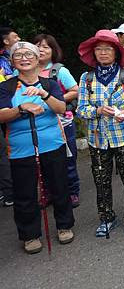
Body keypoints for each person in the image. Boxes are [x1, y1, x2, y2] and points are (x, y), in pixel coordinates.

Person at [0, 42, 74, 254]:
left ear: (37, 58)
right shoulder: (6, 87)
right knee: (24, 192)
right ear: (12, 61)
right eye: (18, 55)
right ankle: (29, 234)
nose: (24, 58)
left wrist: (44, 96)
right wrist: (21, 108)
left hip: (52, 142)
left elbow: (61, 108)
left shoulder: (49, 83)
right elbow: (1, 114)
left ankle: (64, 224)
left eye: (28, 54)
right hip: (20, 147)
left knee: (59, 185)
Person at [76, 30, 124, 236]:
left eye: (107, 49)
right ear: (93, 53)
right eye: (99, 49)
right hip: (97, 139)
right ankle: (106, 217)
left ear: (116, 52)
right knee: (101, 180)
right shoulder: (86, 79)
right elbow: (80, 109)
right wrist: (97, 111)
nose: (103, 53)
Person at [32, 34, 81, 208]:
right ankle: (48, 193)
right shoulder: (23, 72)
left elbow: (75, 90)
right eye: (37, 45)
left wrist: (54, 100)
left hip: (62, 122)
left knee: (67, 159)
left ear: (53, 50)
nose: (41, 49)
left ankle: (72, 191)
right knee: (42, 161)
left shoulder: (59, 71)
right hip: (35, 123)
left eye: (46, 46)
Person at [0, 27, 19, 207]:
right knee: (5, 150)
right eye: (15, 36)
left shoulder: (10, 60)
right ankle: (9, 192)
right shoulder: (3, 62)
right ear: (6, 41)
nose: (19, 38)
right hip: (8, 109)